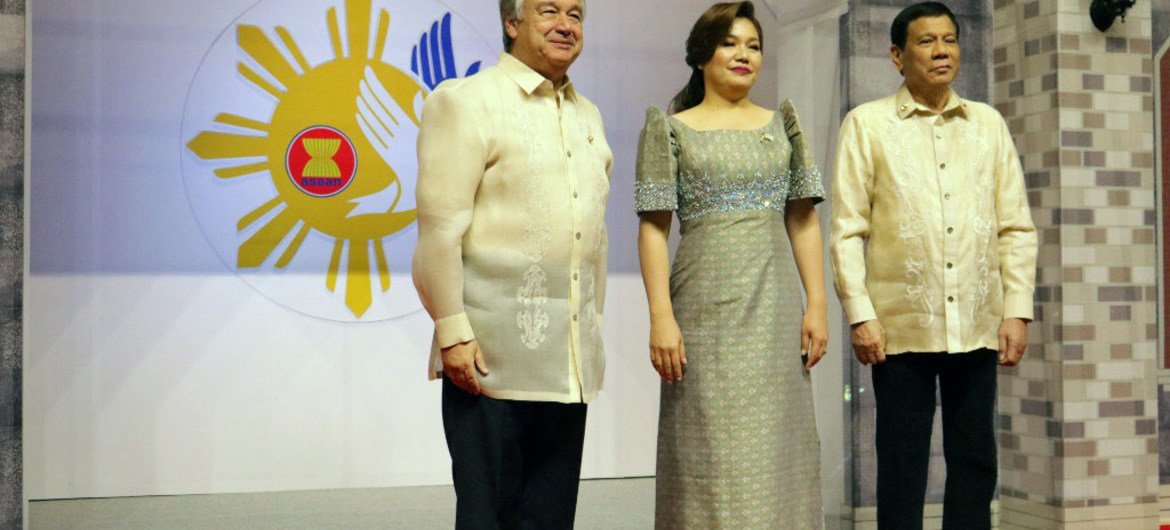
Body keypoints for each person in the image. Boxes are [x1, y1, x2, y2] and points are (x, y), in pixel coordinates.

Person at [829, 2, 1037, 528]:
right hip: (899, 327)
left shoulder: (987, 125)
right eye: (926, 41)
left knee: (975, 461)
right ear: (897, 55)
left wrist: (1016, 310)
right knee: (901, 465)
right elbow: (847, 230)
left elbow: (1015, 226)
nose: (941, 51)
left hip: (977, 320)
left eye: (949, 39)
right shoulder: (867, 125)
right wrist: (859, 314)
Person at [412, 0, 611, 527]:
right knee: (488, 518)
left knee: (550, 519)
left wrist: (592, 329)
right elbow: (438, 231)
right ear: (511, 22)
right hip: (488, 362)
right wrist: (452, 332)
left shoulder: (588, 115)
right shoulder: (467, 101)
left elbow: (595, 234)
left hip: (567, 364)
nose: (566, 25)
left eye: (576, 14)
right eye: (548, 10)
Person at [634, 2, 827, 527]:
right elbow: (654, 228)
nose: (744, 55)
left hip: (774, 307)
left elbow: (803, 219)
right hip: (702, 308)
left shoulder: (781, 124)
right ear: (702, 55)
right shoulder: (671, 128)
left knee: (776, 443)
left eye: (754, 45)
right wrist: (660, 316)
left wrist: (816, 303)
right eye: (730, 43)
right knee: (708, 444)